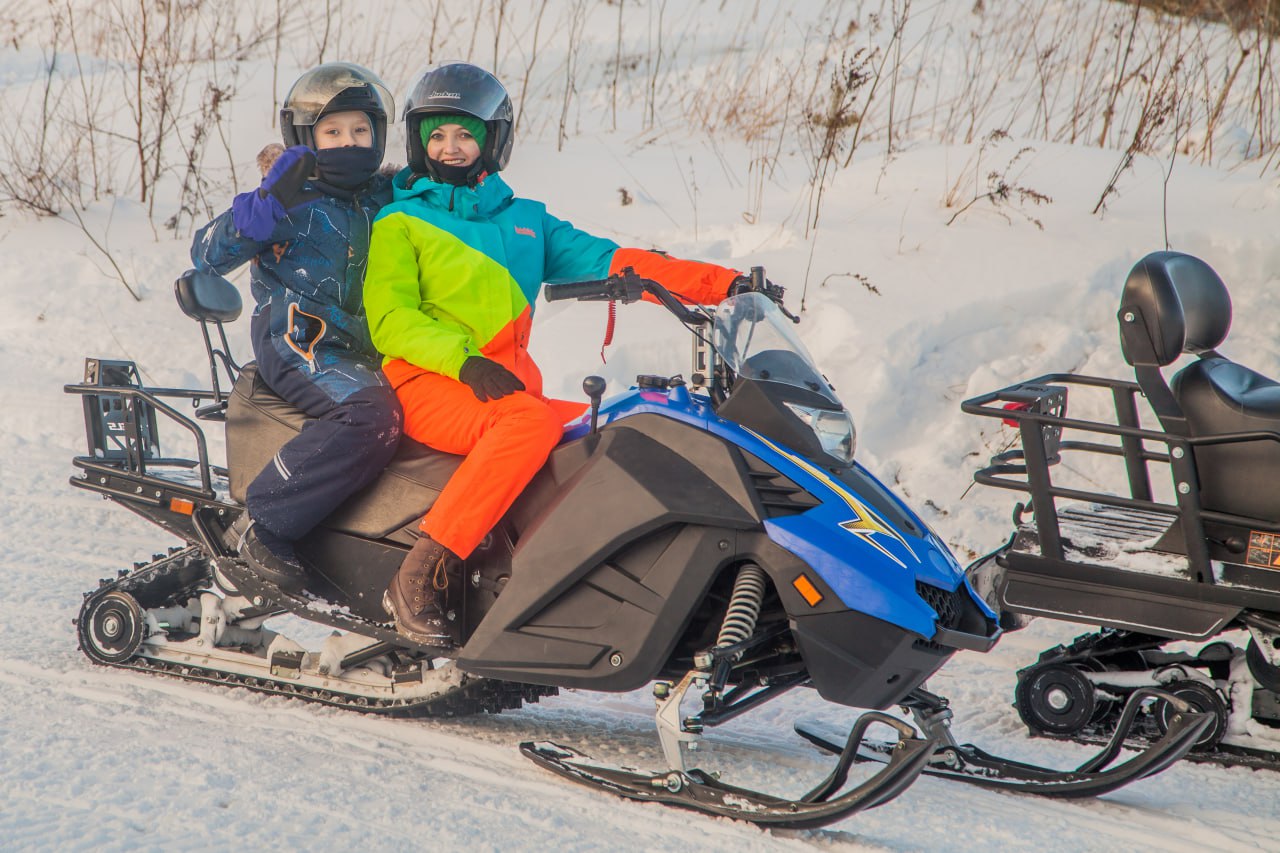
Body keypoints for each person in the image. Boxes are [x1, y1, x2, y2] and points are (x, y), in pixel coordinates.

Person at [363, 62, 756, 644]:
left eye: (465, 134)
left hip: (506, 390)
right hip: (430, 381)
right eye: (436, 135)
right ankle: (423, 569)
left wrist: (726, 286)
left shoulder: (527, 222)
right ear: (419, 143)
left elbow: (615, 261)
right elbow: (391, 319)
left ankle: (572, 583)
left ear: (494, 140)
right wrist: (463, 360)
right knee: (528, 422)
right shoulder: (401, 222)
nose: (450, 147)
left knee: (623, 423)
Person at [191, 62, 402, 593]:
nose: (348, 142)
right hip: (299, 342)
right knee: (370, 414)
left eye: (360, 130)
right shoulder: (292, 198)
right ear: (307, 138)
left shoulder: (387, 197)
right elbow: (208, 255)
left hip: (375, 348)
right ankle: (265, 522)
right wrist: (265, 203)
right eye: (333, 132)